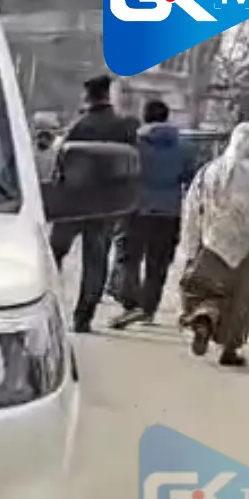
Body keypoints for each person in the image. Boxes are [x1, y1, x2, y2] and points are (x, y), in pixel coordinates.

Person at [178, 122, 249, 368]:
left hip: (212, 242)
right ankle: (230, 348)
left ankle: (205, 316)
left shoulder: (211, 169)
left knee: (203, 288)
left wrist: (190, 245)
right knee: (242, 298)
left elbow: (193, 208)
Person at [50, 75, 138, 332]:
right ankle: (83, 318)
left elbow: (60, 164)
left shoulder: (80, 126)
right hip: (106, 205)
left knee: (53, 254)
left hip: (73, 203)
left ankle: (49, 305)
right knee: (96, 261)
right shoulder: (123, 128)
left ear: (88, 96)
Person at [110, 100, 194, 329]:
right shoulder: (184, 147)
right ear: (167, 117)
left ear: (144, 117)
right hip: (168, 211)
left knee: (128, 258)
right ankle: (148, 309)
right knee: (158, 263)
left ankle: (130, 302)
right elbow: (189, 178)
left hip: (135, 208)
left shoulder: (134, 146)